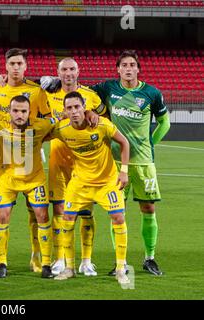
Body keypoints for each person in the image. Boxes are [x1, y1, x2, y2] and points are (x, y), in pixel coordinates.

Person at [41, 50, 170, 276]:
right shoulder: (108, 88)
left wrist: (151, 143)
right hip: (109, 162)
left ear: (138, 68)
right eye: (124, 65)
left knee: (147, 208)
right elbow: (81, 96)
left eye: (132, 65)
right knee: (112, 212)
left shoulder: (152, 92)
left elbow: (164, 123)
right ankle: (113, 263)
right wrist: (41, 81)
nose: (128, 69)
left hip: (141, 161)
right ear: (118, 69)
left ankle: (149, 257)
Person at [0, 95, 55, 279]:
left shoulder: (41, 125)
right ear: (10, 111)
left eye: (23, 111)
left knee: (42, 216)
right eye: (15, 111)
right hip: (8, 180)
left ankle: (46, 263)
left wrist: (87, 113)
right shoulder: (1, 121)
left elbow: (61, 121)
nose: (19, 115)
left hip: (34, 179)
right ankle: (1, 263)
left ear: (29, 112)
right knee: (2, 216)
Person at [0, 48, 51, 274]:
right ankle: (0, 260)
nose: (15, 67)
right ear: (6, 66)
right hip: (4, 155)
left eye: (19, 63)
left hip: (32, 151)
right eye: (11, 63)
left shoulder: (35, 90)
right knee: (2, 211)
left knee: (36, 211)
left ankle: (36, 257)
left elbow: (47, 118)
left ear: (25, 66)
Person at [52, 91, 130, 285]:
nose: (74, 111)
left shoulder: (101, 124)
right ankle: (69, 268)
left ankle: (121, 268)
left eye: (77, 107)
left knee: (118, 217)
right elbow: (41, 134)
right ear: (65, 111)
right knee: (67, 218)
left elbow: (124, 142)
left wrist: (124, 171)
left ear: (84, 107)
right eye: (69, 108)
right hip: (80, 182)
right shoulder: (62, 129)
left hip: (107, 181)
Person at [45, 57, 106, 276]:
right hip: (58, 161)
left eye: (72, 69)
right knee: (59, 210)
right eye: (64, 69)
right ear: (58, 73)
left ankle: (86, 260)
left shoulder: (90, 96)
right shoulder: (48, 94)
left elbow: (104, 118)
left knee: (86, 211)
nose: (68, 73)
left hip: (85, 164)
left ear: (78, 71)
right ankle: (60, 257)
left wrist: (93, 113)